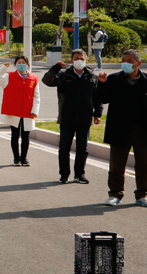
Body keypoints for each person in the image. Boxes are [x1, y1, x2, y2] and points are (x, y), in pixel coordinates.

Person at [96, 50, 147, 207]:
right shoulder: (114, 79)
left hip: (142, 129)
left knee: (144, 166)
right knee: (117, 165)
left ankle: (142, 195)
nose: (125, 63)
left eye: (129, 60)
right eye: (123, 60)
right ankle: (115, 194)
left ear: (138, 63)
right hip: (120, 129)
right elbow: (103, 99)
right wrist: (102, 83)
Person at [43, 50, 103, 184]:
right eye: (76, 58)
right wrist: (56, 68)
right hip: (67, 117)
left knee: (82, 149)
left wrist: (97, 114)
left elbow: (97, 97)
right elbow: (47, 81)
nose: (79, 61)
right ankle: (64, 175)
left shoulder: (91, 76)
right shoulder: (64, 75)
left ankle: (79, 174)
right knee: (64, 148)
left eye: (82, 58)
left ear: (86, 60)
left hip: (84, 118)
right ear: (72, 61)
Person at [0, 56, 41, 167]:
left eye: (23, 62)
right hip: (13, 111)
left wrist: (35, 110)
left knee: (26, 136)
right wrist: (3, 68)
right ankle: (16, 158)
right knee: (15, 135)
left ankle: (24, 158)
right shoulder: (9, 76)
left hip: (28, 111)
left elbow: (36, 96)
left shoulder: (34, 78)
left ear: (27, 65)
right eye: (19, 62)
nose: (21, 64)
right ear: (15, 64)